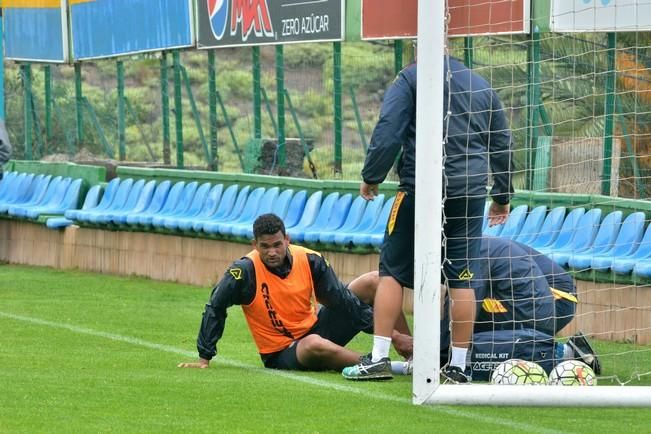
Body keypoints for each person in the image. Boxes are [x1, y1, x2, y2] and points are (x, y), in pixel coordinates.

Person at [343, 56, 514, 383]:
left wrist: (372, 175)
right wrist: (502, 195)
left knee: (390, 271)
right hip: (470, 193)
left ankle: (378, 358)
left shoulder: (411, 78)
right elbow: (502, 142)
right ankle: (458, 368)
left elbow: (388, 128)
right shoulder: (482, 85)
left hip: (421, 187)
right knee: (462, 278)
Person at [178, 213, 412, 372]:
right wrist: (204, 358)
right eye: (265, 246)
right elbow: (215, 306)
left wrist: (394, 335)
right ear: (254, 245)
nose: (272, 252)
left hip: (315, 330)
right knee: (313, 344)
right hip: (282, 353)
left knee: (374, 281)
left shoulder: (310, 259)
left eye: (277, 245)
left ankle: (413, 356)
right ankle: (381, 366)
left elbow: (344, 303)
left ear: (287, 240)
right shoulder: (243, 272)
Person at [475, 237, 578, 336]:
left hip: (557, 296)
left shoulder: (478, 248)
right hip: (546, 296)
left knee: (469, 306)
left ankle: (555, 351)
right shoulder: (478, 243)